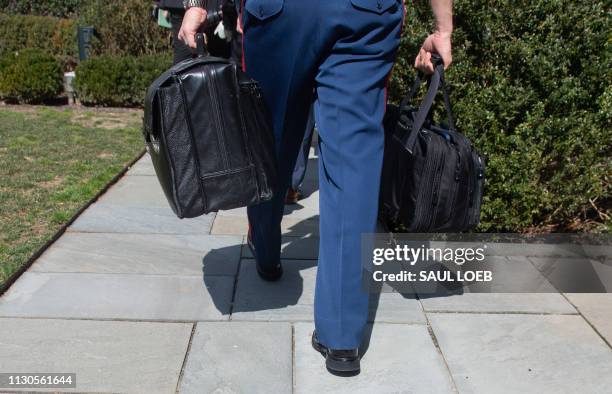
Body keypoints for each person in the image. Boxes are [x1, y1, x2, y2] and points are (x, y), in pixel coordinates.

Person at [178, 0, 453, 375]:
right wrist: (443, 29)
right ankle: (342, 338)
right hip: (365, 14)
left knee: (269, 134)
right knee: (353, 162)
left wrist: (195, 6)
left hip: (282, 11)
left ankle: (268, 251)